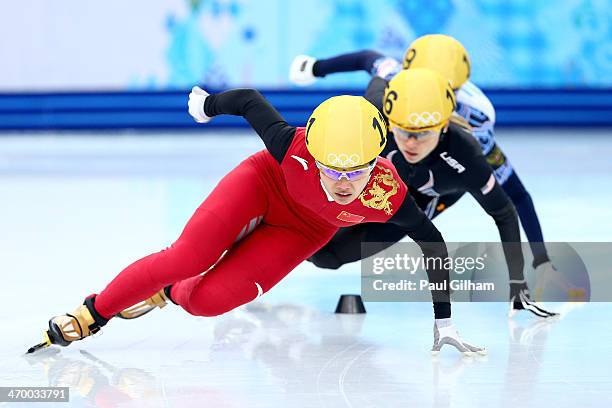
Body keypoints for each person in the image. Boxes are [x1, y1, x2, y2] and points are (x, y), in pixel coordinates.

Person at [29, 87, 485, 356]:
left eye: (357, 171)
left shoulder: (388, 194)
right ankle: (93, 312)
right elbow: (248, 100)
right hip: (264, 184)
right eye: (332, 169)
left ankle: (166, 293)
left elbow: (434, 243)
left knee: (205, 302)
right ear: (314, 155)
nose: (344, 184)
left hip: (304, 230)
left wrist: (444, 322)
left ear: (379, 160)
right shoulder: (291, 146)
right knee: (190, 256)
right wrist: (207, 107)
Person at [289, 34, 559, 296]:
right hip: (390, 174)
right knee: (312, 234)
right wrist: (315, 68)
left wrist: (541, 259)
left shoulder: (475, 124)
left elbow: (514, 198)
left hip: (423, 195)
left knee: (329, 256)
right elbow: (368, 58)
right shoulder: (389, 83)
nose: (421, 103)